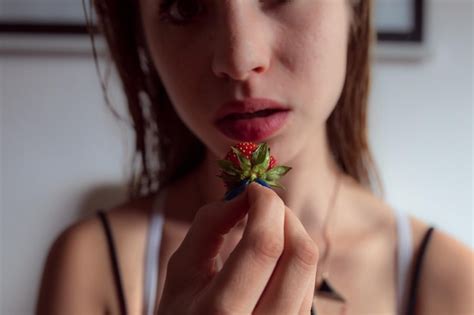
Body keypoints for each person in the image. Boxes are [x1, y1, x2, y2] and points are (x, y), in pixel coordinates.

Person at [36, 0, 473, 314]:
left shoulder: (451, 279)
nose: (239, 60)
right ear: (143, 40)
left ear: (355, 9)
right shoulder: (93, 263)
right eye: (186, 8)